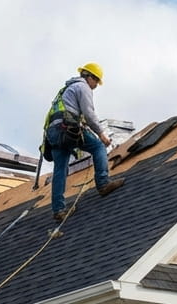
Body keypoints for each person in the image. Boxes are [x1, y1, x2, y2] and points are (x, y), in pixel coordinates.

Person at [44, 62, 124, 220]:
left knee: (60, 169)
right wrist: (101, 133)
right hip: (66, 129)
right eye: (96, 82)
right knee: (98, 146)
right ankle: (103, 183)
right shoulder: (83, 87)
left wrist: (83, 125)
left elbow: (72, 113)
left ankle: (58, 210)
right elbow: (89, 113)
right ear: (90, 77)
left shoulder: (67, 89)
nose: (95, 86)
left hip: (54, 133)